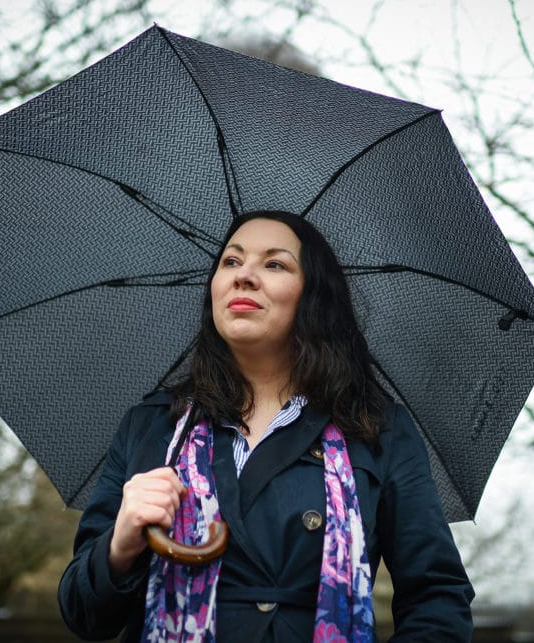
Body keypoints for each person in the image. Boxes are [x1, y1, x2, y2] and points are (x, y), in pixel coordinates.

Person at [58, 210, 474, 642]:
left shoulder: (376, 426)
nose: (244, 276)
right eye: (231, 262)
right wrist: (120, 544)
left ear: (313, 295)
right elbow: (82, 615)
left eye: (274, 264)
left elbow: (437, 597)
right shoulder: (153, 426)